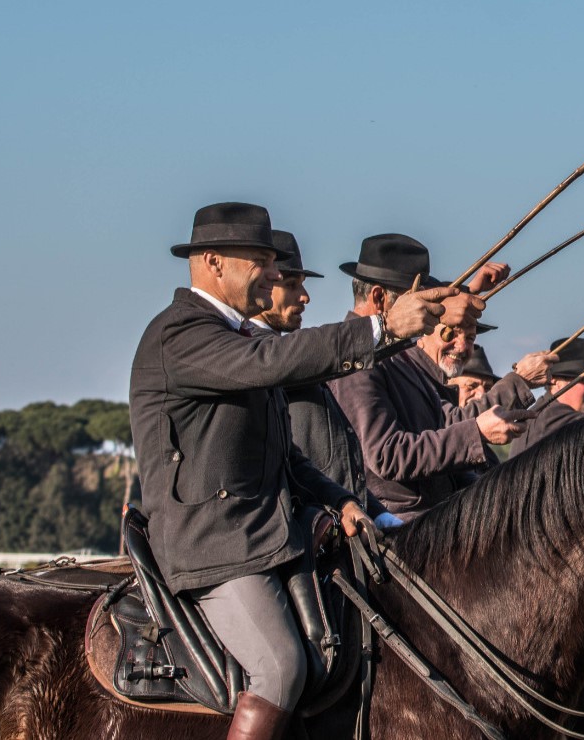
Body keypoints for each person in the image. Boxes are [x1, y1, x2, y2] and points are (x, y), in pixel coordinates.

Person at [131, 203, 467, 738]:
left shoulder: (233, 337)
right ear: (213, 262)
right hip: (213, 544)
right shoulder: (183, 335)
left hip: (267, 536)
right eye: (260, 261)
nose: (271, 272)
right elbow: (276, 361)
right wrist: (381, 328)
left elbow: (288, 458)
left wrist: (342, 501)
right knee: (281, 668)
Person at [330, 234, 555, 520]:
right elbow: (387, 455)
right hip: (403, 525)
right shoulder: (358, 361)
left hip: (438, 516)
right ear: (379, 298)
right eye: (418, 301)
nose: (427, 311)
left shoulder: (394, 357)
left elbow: (446, 422)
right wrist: (478, 432)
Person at [250, 230, 395, 529]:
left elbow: (332, 466)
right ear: (264, 284)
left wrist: (379, 513)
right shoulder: (256, 354)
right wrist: (393, 326)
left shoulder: (289, 357)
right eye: (291, 285)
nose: (305, 296)